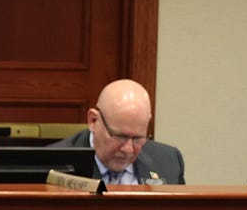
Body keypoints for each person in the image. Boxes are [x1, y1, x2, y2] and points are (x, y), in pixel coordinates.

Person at [49, 79, 187, 185]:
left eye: (137, 139)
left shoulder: (169, 161)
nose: (128, 149)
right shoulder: (54, 165)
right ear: (93, 121)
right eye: (120, 136)